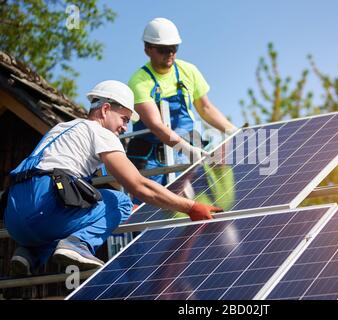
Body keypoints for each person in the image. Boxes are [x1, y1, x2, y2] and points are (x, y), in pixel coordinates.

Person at [4, 80, 222, 276]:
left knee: (78, 206)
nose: (125, 127)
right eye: (124, 118)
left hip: (14, 214)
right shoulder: (102, 134)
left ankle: (28, 255)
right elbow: (137, 185)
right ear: (106, 109)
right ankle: (77, 245)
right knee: (121, 201)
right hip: (46, 205)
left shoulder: (62, 128)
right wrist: (190, 207)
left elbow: (104, 183)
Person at [127, 17, 238, 185]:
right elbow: (156, 126)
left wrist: (232, 130)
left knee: (195, 203)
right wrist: (185, 148)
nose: (170, 53)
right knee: (152, 208)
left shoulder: (188, 71)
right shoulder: (139, 81)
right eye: (163, 49)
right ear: (148, 49)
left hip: (187, 152)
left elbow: (205, 108)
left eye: (174, 48)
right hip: (151, 160)